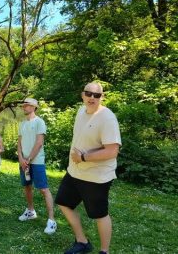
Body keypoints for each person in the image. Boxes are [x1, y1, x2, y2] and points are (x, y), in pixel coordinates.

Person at [55, 82, 121, 254]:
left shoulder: (107, 118)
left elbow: (112, 151)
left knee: (99, 215)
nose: (92, 98)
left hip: (96, 177)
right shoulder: (80, 111)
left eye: (96, 95)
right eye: (89, 94)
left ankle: (104, 251)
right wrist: (77, 161)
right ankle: (82, 242)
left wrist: (83, 157)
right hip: (75, 172)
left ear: (102, 97)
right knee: (63, 202)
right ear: (82, 94)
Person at [17, 98, 57, 235]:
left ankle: (51, 221)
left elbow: (39, 143)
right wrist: (21, 158)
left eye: (27, 105)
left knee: (44, 190)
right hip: (24, 162)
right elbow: (19, 143)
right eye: (24, 105)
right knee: (27, 186)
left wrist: (28, 159)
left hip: (37, 161)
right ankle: (30, 211)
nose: (24, 107)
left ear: (34, 107)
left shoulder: (40, 122)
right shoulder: (22, 124)